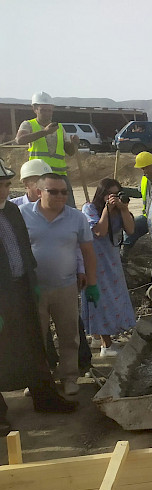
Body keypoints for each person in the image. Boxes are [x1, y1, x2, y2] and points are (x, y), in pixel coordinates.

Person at [0, 159, 77, 435]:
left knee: (34, 342)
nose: (4, 190)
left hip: (21, 288)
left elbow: (22, 246)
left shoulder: (10, 210)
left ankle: (45, 397)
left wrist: (30, 278)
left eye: (6, 184)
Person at [20, 173, 99, 395]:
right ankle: (39, 380)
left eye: (64, 192)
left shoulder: (76, 218)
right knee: (35, 337)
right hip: (33, 289)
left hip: (65, 287)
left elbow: (88, 252)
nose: (60, 196)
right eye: (53, 192)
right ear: (39, 192)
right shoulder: (23, 214)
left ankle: (69, 377)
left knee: (69, 335)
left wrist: (92, 284)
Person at [80, 179, 136, 357]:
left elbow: (131, 230)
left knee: (114, 296)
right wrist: (106, 210)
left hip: (112, 259)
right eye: (109, 194)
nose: (113, 197)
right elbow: (100, 231)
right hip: (95, 260)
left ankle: (98, 337)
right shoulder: (89, 208)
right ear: (101, 194)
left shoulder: (120, 209)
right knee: (100, 299)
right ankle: (106, 345)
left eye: (117, 193)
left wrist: (123, 209)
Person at [16, 92, 79, 208]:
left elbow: (70, 152)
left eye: (49, 110)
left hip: (60, 174)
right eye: (43, 110)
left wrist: (74, 144)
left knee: (68, 207)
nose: (47, 113)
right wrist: (45, 132)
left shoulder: (59, 127)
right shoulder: (28, 124)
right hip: (39, 175)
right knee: (41, 207)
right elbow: (20, 140)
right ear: (35, 109)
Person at [121, 152, 152, 257]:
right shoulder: (145, 179)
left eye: (145, 168)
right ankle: (124, 255)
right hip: (148, 217)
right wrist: (121, 189)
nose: (144, 172)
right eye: (142, 169)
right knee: (132, 227)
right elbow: (139, 192)